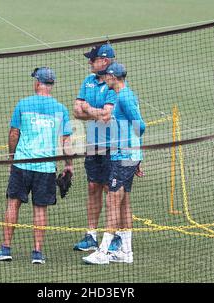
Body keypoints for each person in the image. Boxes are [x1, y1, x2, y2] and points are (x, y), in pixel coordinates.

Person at [0, 67, 73, 264]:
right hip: (46, 168)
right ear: (51, 85)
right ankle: (37, 252)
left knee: (13, 204)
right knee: (40, 209)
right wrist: (69, 165)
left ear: (37, 83)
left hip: (23, 164)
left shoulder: (23, 104)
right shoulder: (61, 109)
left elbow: (13, 133)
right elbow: (67, 141)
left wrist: (12, 158)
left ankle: (5, 248)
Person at [82, 62, 145, 265]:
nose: (105, 78)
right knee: (124, 201)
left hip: (123, 155)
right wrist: (138, 155)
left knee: (112, 200)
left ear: (114, 77)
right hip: (128, 155)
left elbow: (140, 125)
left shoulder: (124, 96)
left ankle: (104, 251)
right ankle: (126, 252)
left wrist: (131, 148)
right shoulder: (122, 95)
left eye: (107, 76)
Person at [72, 43, 122, 252]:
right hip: (93, 144)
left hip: (112, 145)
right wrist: (95, 112)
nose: (89, 62)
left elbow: (107, 116)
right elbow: (76, 111)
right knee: (93, 187)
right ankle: (91, 235)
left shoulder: (113, 85)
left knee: (111, 190)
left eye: (92, 59)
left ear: (104, 61)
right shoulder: (88, 81)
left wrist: (88, 109)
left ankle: (115, 236)